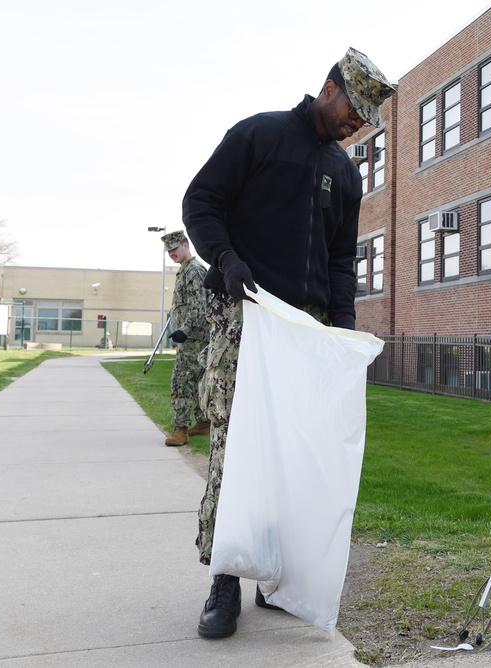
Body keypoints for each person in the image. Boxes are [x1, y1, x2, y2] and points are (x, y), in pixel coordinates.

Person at [180, 47, 395, 639]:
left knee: (294, 453)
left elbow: (340, 256)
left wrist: (342, 321)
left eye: (367, 119)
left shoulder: (346, 173)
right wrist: (224, 258)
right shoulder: (261, 135)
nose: (359, 124)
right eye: (356, 109)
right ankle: (225, 579)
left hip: (305, 329)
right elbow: (201, 203)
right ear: (329, 88)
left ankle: (273, 575)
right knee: (238, 446)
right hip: (246, 312)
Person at [160, 230, 211, 447]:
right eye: (168, 250)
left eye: (174, 248)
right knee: (197, 380)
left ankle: (180, 429)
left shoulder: (194, 270)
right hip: (191, 337)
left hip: (194, 338)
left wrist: (185, 330)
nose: (171, 253)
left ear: (185, 245)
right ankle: (203, 422)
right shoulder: (184, 271)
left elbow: (199, 305)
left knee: (181, 381)